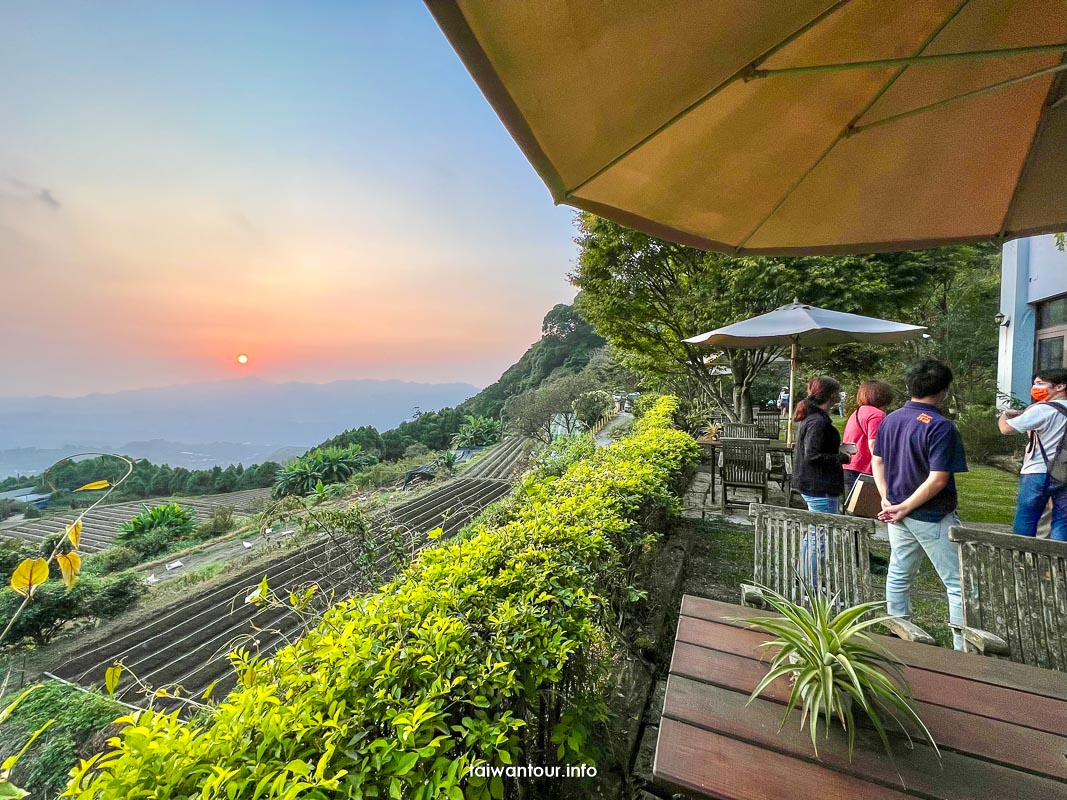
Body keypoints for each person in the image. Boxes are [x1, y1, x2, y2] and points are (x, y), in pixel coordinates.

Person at [872, 358, 967, 650]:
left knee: (899, 573)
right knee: (959, 584)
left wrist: (887, 497)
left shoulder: (891, 419)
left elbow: (877, 460)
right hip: (931, 515)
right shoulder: (941, 427)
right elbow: (938, 479)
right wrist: (902, 505)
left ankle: (898, 631)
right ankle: (963, 648)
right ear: (943, 392)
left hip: (897, 511)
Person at [997, 368, 1067, 542]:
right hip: (1064, 472)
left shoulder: (1042, 410)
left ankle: (1022, 560)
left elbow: (1006, 429)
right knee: (1062, 521)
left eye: (1041, 384)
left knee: (1027, 519)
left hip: (1037, 471)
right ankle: (1058, 565)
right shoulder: (1043, 408)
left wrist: (1004, 415)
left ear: (1060, 386)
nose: (1035, 387)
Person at [792, 376, 853, 514]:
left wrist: (836, 448)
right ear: (831, 395)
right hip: (819, 485)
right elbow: (812, 455)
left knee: (818, 530)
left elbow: (817, 447)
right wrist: (841, 457)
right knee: (823, 531)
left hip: (815, 484)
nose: (839, 396)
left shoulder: (813, 417)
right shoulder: (818, 421)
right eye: (838, 392)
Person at [842, 381, 894, 497]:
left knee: (852, 508)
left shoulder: (857, 412)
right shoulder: (877, 415)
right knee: (866, 510)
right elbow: (874, 444)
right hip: (865, 469)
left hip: (849, 464)